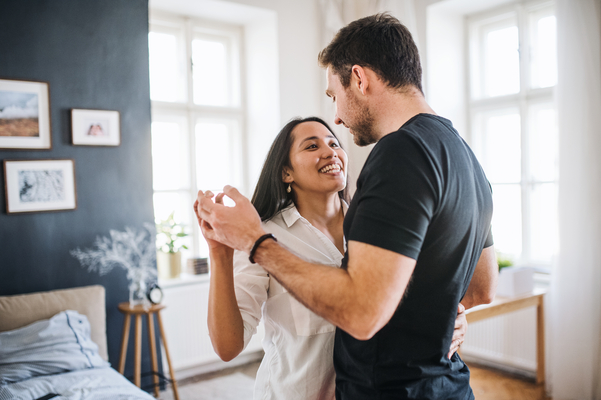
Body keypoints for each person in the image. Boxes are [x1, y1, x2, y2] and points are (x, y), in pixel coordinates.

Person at [196, 13, 497, 400]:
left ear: (359, 78)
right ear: (285, 172)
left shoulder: (398, 153)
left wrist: (257, 242)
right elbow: (479, 289)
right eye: (311, 145)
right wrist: (437, 318)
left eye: (333, 97)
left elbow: (364, 311)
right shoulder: (465, 156)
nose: (337, 118)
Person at [195, 116, 468, 400]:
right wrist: (219, 255)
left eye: (334, 143)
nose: (330, 152)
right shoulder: (260, 236)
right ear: (286, 172)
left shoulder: (378, 227)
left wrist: (450, 319)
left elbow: (405, 299)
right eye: (312, 146)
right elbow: (228, 347)